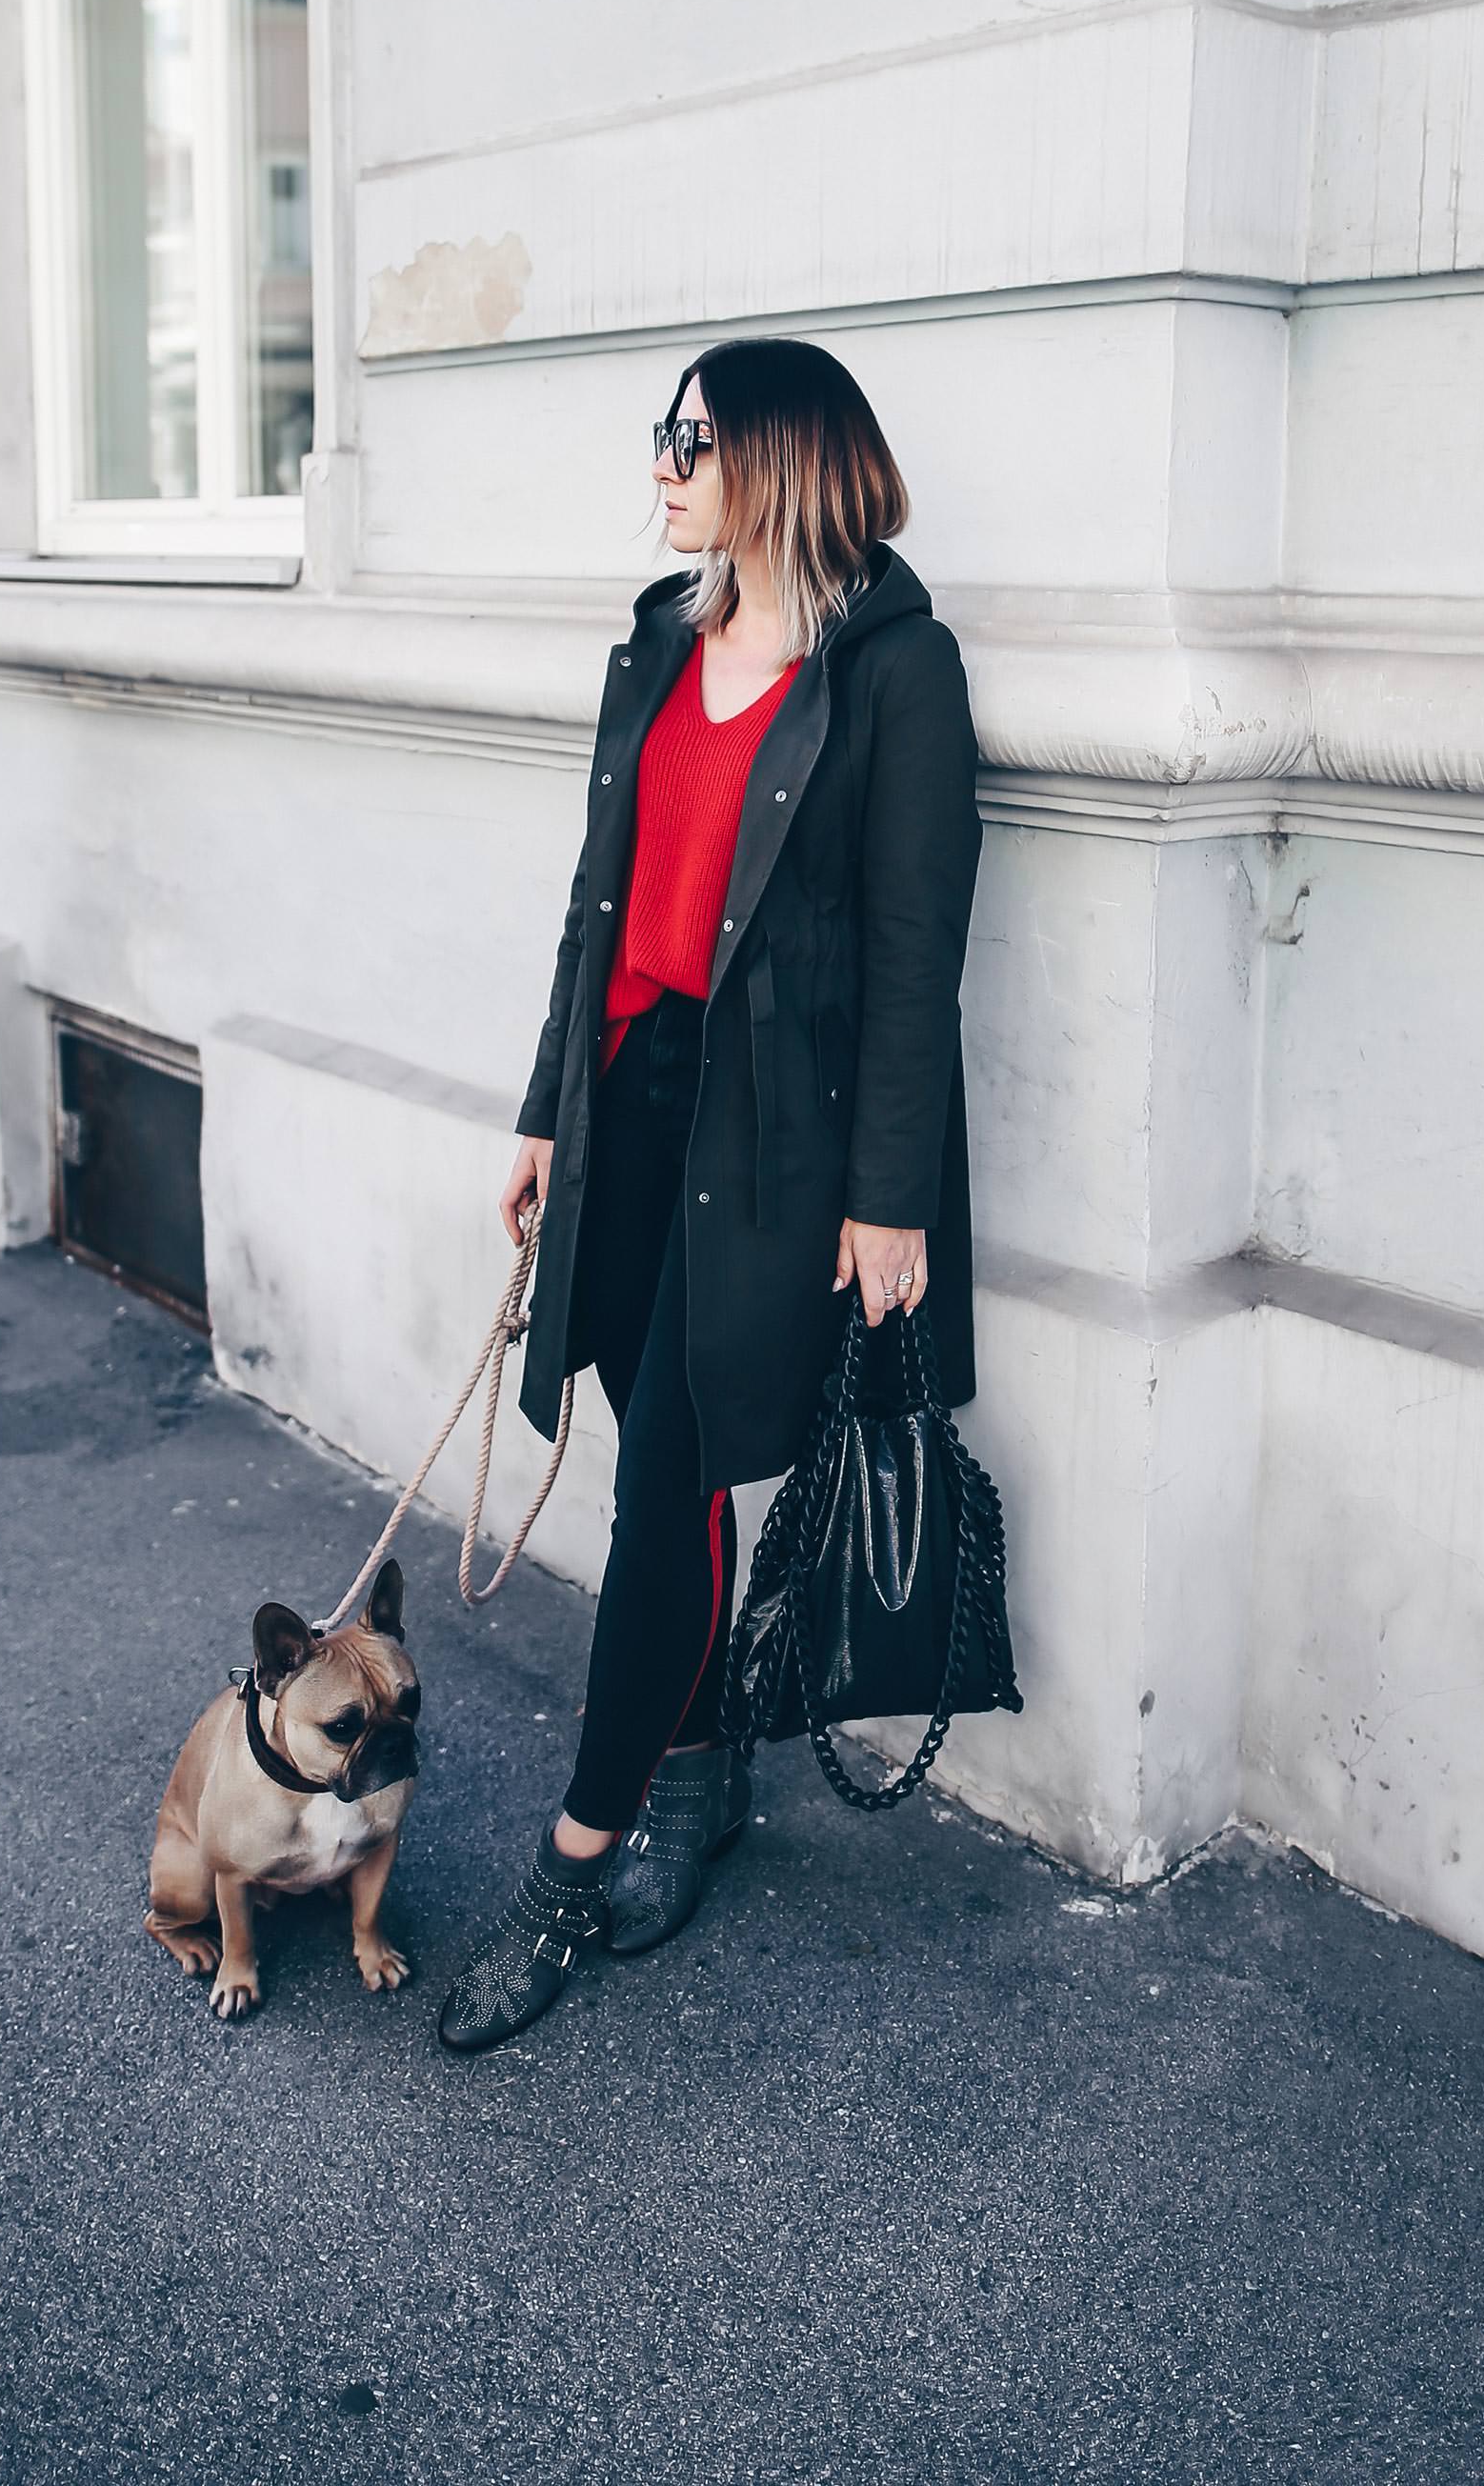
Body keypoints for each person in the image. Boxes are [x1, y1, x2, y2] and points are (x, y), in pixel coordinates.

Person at [436, 336, 984, 2054]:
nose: (663, 466)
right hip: (632, 1099)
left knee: (671, 1458)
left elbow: (915, 954)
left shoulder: (897, 669)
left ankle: (572, 1861)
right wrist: (546, 1107)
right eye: (661, 437)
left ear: (781, 459)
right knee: (650, 1456)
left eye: (693, 438)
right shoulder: (662, 640)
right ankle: (697, 1777)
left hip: (777, 1137)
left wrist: (888, 1197)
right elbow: (596, 900)